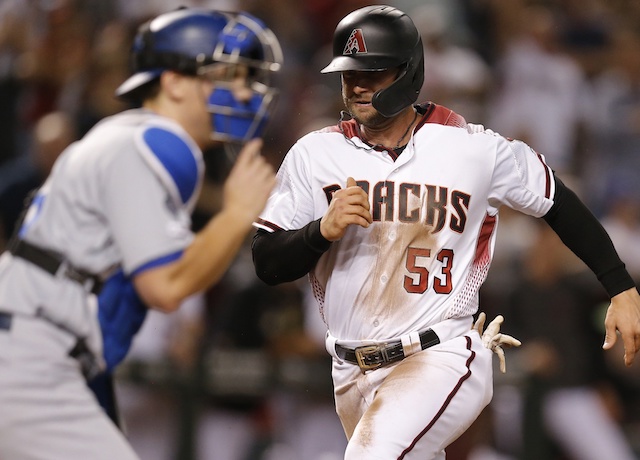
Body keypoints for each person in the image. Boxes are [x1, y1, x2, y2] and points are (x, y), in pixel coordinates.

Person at [251, 5, 640, 460]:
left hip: (440, 354)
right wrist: (320, 231)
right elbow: (266, 261)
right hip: (350, 369)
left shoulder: (471, 147)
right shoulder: (315, 153)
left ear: (408, 72)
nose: (357, 84)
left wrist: (621, 288)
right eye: (349, 72)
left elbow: (558, 201)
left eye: (373, 72)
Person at [0, 7, 281, 460]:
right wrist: (236, 214)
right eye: (228, 76)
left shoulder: (134, 139)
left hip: (36, 349)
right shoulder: (154, 143)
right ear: (172, 81)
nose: (246, 92)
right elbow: (165, 287)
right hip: (29, 357)